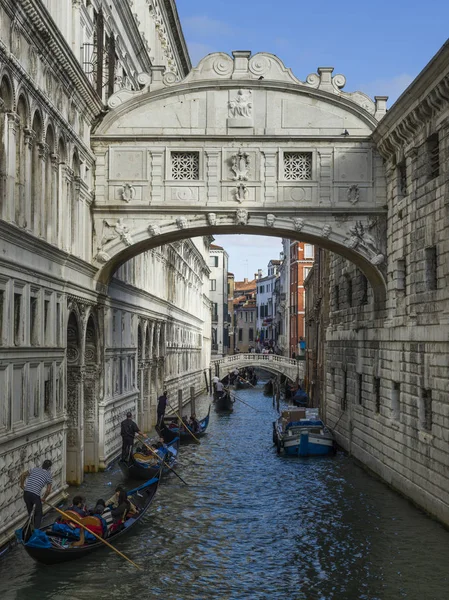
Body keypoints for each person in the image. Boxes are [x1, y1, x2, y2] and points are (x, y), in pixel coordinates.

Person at [19, 459, 52, 529]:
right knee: (39, 514)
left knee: (31, 513)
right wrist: (44, 498)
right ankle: (36, 532)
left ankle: (29, 529)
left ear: (42, 465)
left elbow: (23, 475)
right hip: (35, 495)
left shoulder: (34, 469)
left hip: (26, 493)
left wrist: (22, 485)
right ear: (49, 468)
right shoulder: (48, 475)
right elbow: (48, 491)